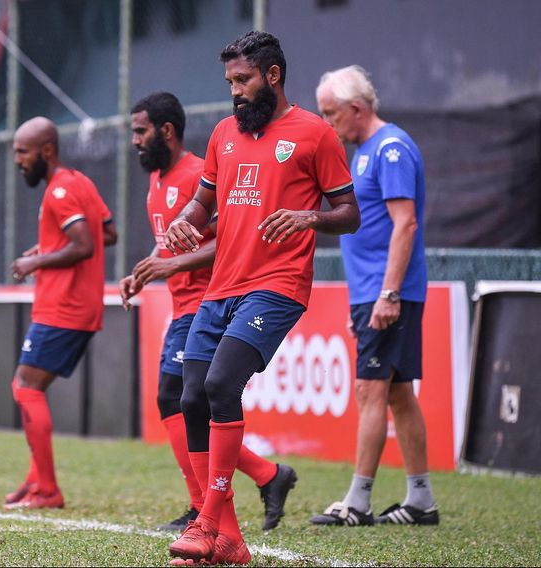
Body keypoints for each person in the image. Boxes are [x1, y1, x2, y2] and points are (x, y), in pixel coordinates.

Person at [164, 31, 360, 564]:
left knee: (221, 383)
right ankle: (229, 540)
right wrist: (185, 222)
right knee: (191, 398)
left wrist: (309, 216)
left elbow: (349, 213)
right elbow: (203, 203)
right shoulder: (223, 134)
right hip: (221, 286)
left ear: (272, 75)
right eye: (230, 81)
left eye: (243, 79)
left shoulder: (315, 134)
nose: (234, 91)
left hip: (276, 285)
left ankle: (207, 521)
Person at [120, 91, 298, 533]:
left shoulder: (198, 173)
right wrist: (145, 270)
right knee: (181, 400)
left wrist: (172, 265)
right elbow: (171, 242)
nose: (135, 140)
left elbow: (233, 237)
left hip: (209, 300)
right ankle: (266, 476)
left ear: (166, 130)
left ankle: (203, 506)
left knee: (178, 396)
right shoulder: (157, 180)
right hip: (182, 303)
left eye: (140, 131)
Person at [311, 65, 437, 526]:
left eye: (331, 114)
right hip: (374, 292)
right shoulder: (367, 151)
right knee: (398, 394)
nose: (328, 124)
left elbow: (405, 223)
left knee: (370, 390)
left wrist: (388, 294)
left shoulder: (390, 149)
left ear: (356, 108)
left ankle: (358, 503)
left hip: (388, 292)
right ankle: (421, 501)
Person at [5, 117, 117, 510]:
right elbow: (108, 233)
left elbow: (85, 245)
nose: (18, 160)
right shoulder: (79, 181)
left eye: (23, 151)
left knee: (26, 387)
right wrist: (49, 248)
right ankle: (36, 478)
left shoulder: (59, 190)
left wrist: (36, 262)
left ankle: (48, 489)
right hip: (78, 306)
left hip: (63, 306)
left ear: (47, 150)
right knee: (27, 385)